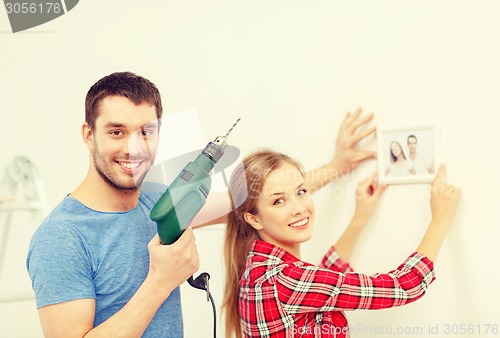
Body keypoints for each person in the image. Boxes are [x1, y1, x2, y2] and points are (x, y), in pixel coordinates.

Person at [26, 71, 377, 337]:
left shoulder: (155, 203)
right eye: (117, 132)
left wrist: (337, 166)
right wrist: (161, 281)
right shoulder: (61, 237)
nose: (134, 148)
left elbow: (253, 200)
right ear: (89, 135)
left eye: (145, 131)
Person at [222, 149, 460, 338]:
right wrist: (440, 219)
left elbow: (323, 284)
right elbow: (405, 286)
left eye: (302, 191)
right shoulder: (285, 278)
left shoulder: (260, 265)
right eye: (279, 201)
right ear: (254, 218)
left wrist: (359, 218)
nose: (299, 208)